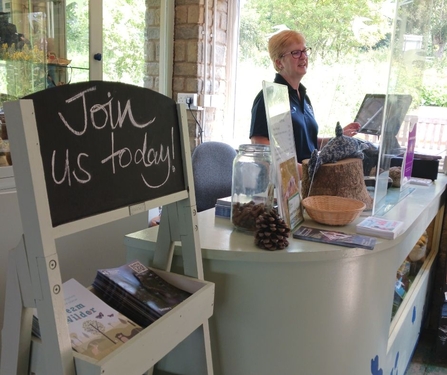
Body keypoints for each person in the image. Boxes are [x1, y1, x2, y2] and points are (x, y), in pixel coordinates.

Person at [249, 29, 360, 176]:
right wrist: (302, 171)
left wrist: (336, 139)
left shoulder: (304, 97)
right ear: (279, 62)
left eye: (304, 51)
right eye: (295, 53)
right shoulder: (270, 97)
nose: (303, 57)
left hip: (309, 179)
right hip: (284, 188)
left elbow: (307, 142)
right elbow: (260, 147)